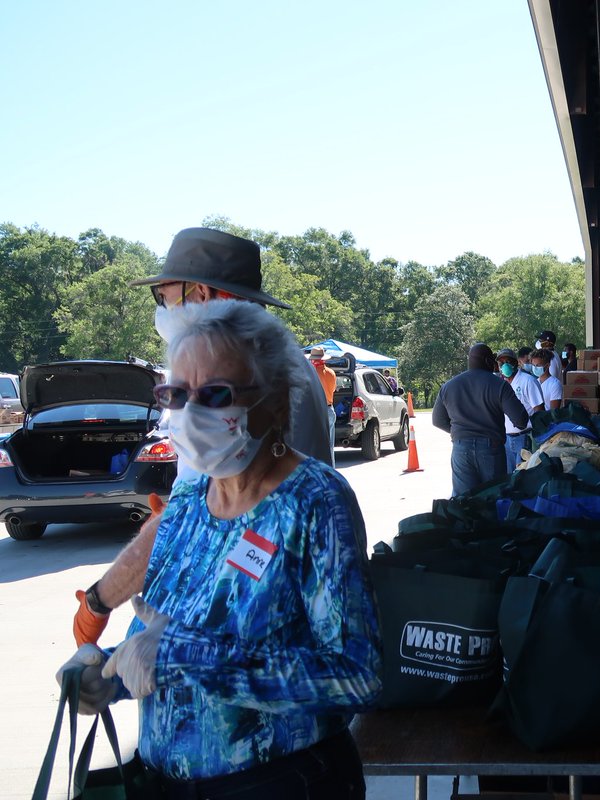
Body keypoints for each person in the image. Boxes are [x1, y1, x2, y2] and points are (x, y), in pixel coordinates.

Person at [57, 299, 382, 798]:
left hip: (279, 784)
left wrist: (186, 656)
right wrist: (108, 672)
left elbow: (355, 678)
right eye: (176, 395)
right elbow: (160, 637)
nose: (190, 414)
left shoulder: (314, 500)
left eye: (215, 394)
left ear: (276, 402)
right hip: (166, 783)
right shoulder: (188, 498)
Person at [72, 227, 335, 650]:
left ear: (203, 293)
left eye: (165, 296)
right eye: (176, 394)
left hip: (247, 637)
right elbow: (196, 509)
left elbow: (193, 523)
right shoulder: (270, 359)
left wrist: (101, 600)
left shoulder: (238, 369)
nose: (162, 308)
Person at [432, 343, 529, 496]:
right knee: (492, 498)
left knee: (463, 501)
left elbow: (437, 420)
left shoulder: (449, 386)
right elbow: (521, 421)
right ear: (487, 361)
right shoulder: (499, 385)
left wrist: (461, 433)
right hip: (491, 450)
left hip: (461, 449)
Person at [496, 347, 544, 471]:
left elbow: (540, 411)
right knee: (508, 475)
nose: (505, 365)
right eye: (501, 363)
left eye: (508, 361)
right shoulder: (500, 384)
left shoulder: (528, 381)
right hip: (506, 439)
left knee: (523, 475)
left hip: (524, 438)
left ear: (516, 363)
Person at [309, 346, 338, 456]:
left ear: (313, 360)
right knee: (329, 447)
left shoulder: (311, 373)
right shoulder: (331, 373)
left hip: (315, 411)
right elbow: (333, 389)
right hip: (329, 410)